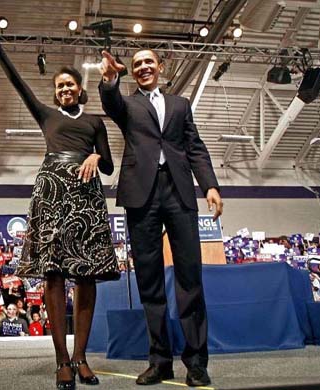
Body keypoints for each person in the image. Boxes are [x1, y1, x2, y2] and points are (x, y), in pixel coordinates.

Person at [0, 16, 119, 390]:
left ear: (80, 89)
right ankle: (61, 361)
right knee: (54, 273)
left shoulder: (96, 122)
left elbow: (110, 164)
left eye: (70, 85)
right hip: (51, 195)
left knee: (86, 276)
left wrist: (97, 157)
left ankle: (81, 357)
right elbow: (17, 82)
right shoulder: (45, 115)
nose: (65, 89)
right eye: (60, 86)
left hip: (85, 198)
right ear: (56, 93)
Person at [99, 49, 223, 387]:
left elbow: (195, 147)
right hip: (142, 196)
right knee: (150, 283)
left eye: (147, 62)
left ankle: (196, 363)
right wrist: (110, 79)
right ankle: (160, 361)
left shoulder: (181, 104)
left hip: (180, 192)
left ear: (161, 66)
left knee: (189, 280)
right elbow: (110, 103)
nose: (142, 68)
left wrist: (209, 185)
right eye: (136, 64)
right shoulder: (127, 105)